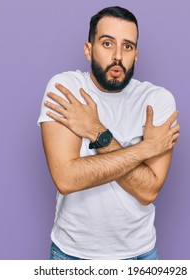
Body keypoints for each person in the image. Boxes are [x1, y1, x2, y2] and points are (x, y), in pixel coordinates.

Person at [37, 6, 180, 260]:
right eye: (107, 43)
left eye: (127, 47)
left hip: (138, 256)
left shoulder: (157, 100)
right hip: (72, 256)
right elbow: (66, 179)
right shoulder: (66, 89)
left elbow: (148, 191)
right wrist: (145, 149)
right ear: (88, 49)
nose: (117, 56)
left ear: (136, 55)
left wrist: (94, 130)